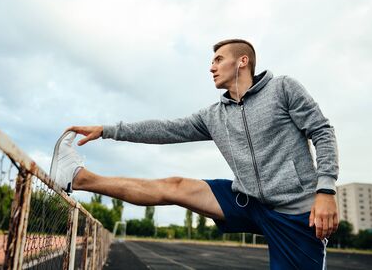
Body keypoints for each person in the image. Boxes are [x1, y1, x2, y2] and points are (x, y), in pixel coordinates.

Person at [50, 39, 339, 269]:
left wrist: (325, 190)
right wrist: (107, 129)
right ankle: (77, 177)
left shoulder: (283, 89)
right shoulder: (214, 116)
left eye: (218, 60)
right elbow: (164, 129)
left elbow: (322, 131)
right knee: (176, 186)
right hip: (248, 201)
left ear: (242, 61)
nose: (211, 67)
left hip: (296, 214)